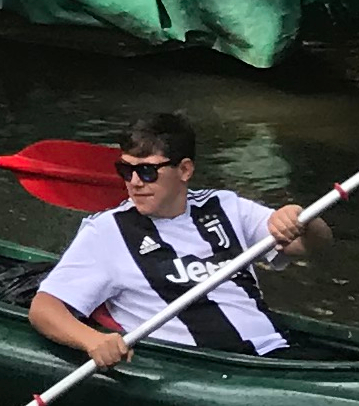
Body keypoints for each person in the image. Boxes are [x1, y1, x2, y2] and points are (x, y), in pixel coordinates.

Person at [27, 111, 330, 364]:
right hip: (207, 368)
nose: (133, 183)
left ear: (184, 170)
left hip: (276, 354)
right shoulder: (106, 232)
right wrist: (92, 340)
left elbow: (311, 245)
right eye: (125, 170)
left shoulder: (225, 206)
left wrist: (301, 219)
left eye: (146, 172)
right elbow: (45, 308)